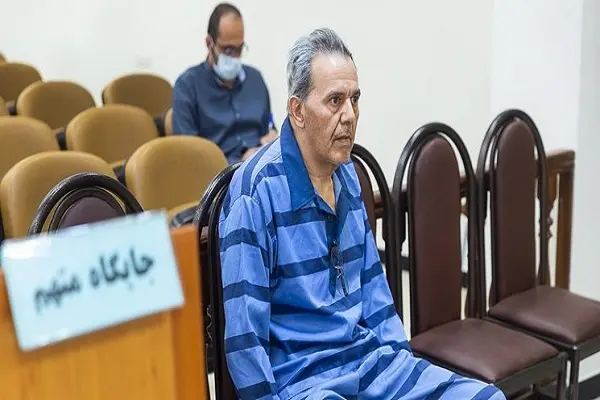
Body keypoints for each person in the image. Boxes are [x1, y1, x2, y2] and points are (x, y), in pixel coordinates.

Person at [219, 28, 505, 400]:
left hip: (369, 365)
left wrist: (402, 367)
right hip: (305, 383)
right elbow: (245, 339)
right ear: (297, 110)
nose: (350, 115)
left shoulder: (348, 176)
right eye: (335, 100)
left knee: (488, 397)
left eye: (355, 99)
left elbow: (374, 290)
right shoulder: (256, 192)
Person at [172, 3, 277, 163]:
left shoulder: (256, 79)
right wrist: (240, 162)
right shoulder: (187, 86)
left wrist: (272, 137)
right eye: (228, 50)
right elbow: (189, 157)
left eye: (239, 49)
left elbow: (269, 127)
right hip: (219, 172)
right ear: (209, 43)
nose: (234, 57)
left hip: (261, 166)